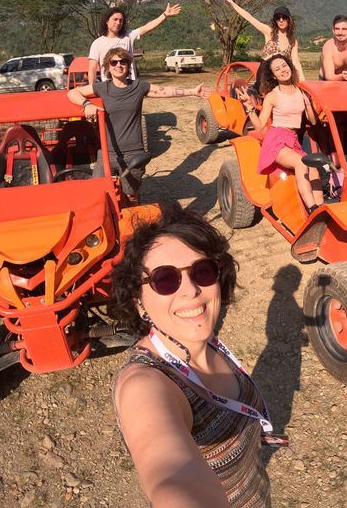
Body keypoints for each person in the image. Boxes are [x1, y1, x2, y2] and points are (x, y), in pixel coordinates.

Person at [111, 202, 273, 507]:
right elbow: (171, 477)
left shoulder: (204, 342)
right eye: (165, 279)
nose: (191, 290)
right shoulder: (145, 384)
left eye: (202, 271)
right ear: (138, 301)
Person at [67, 47, 208, 199]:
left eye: (123, 62)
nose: (118, 65)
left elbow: (163, 90)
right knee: (97, 193)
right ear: (108, 66)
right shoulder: (102, 88)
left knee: (130, 195)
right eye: (114, 62)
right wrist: (86, 104)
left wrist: (192, 91)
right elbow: (72, 93)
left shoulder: (138, 87)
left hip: (134, 155)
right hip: (108, 154)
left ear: (128, 65)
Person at [237, 55, 323, 213]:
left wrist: (308, 103)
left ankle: (321, 210)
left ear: (290, 66)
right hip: (276, 140)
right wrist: (249, 108)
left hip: (293, 140)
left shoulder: (301, 91)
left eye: (284, 65)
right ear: (273, 76)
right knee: (302, 163)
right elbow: (259, 126)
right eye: (277, 69)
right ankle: (312, 208)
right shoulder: (273, 96)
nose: (283, 70)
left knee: (314, 169)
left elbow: (313, 121)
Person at [88, 3, 182, 83]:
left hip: (130, 86)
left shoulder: (128, 36)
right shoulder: (97, 43)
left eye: (121, 20)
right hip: (108, 89)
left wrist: (165, 15)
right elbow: (92, 68)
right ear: (107, 21)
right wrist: (91, 88)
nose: (118, 23)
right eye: (115, 19)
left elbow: (148, 27)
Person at [222, 0, 305, 83]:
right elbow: (250, 18)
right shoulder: (269, 32)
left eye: (284, 17)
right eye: (278, 18)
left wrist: (303, 81)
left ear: (289, 19)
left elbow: (296, 62)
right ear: (275, 20)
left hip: (280, 76)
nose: (281, 20)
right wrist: (232, 4)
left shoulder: (293, 41)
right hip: (265, 73)